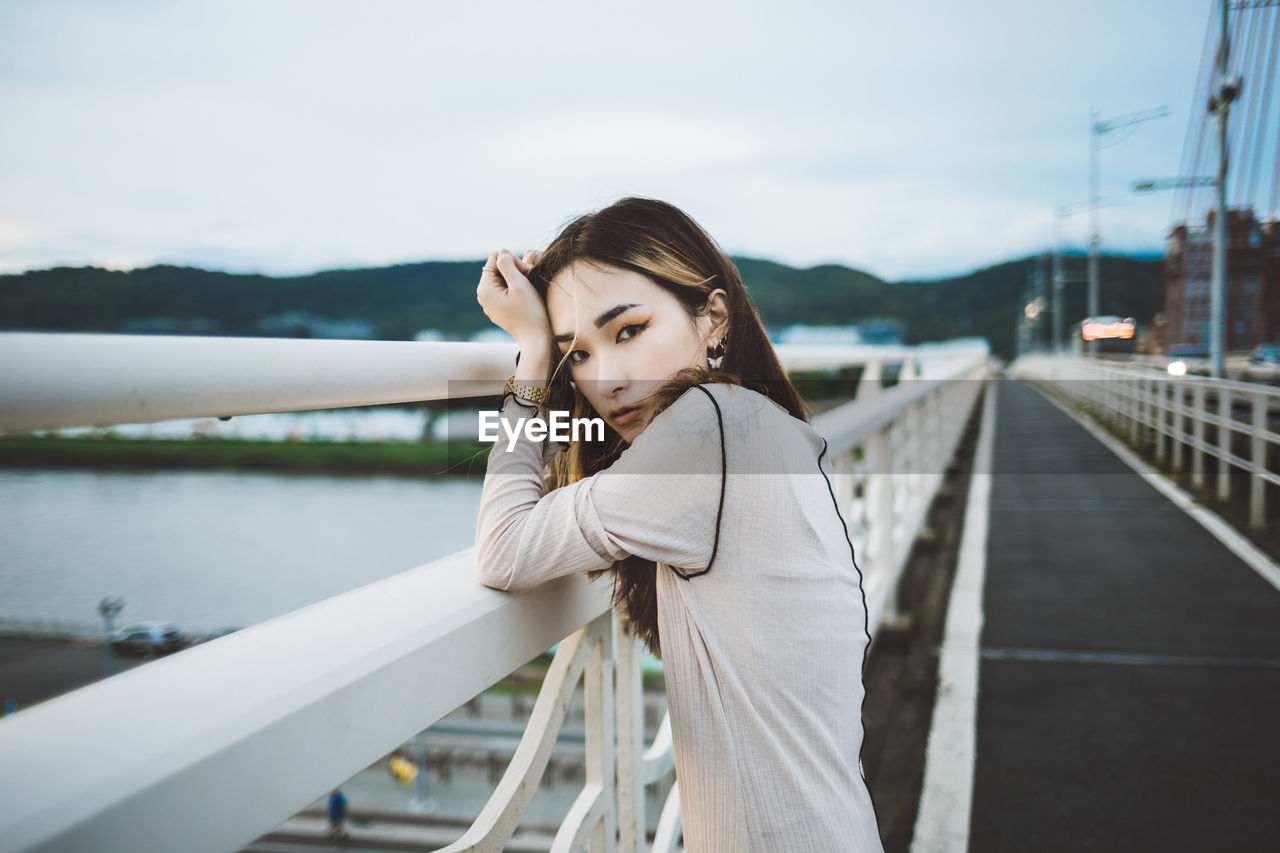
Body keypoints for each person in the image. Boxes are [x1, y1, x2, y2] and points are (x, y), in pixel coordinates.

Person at [474, 197, 883, 852]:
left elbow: (503, 550)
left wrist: (530, 357)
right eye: (575, 354)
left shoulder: (706, 433)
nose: (604, 378)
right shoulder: (755, 424)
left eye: (629, 329)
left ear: (713, 316)